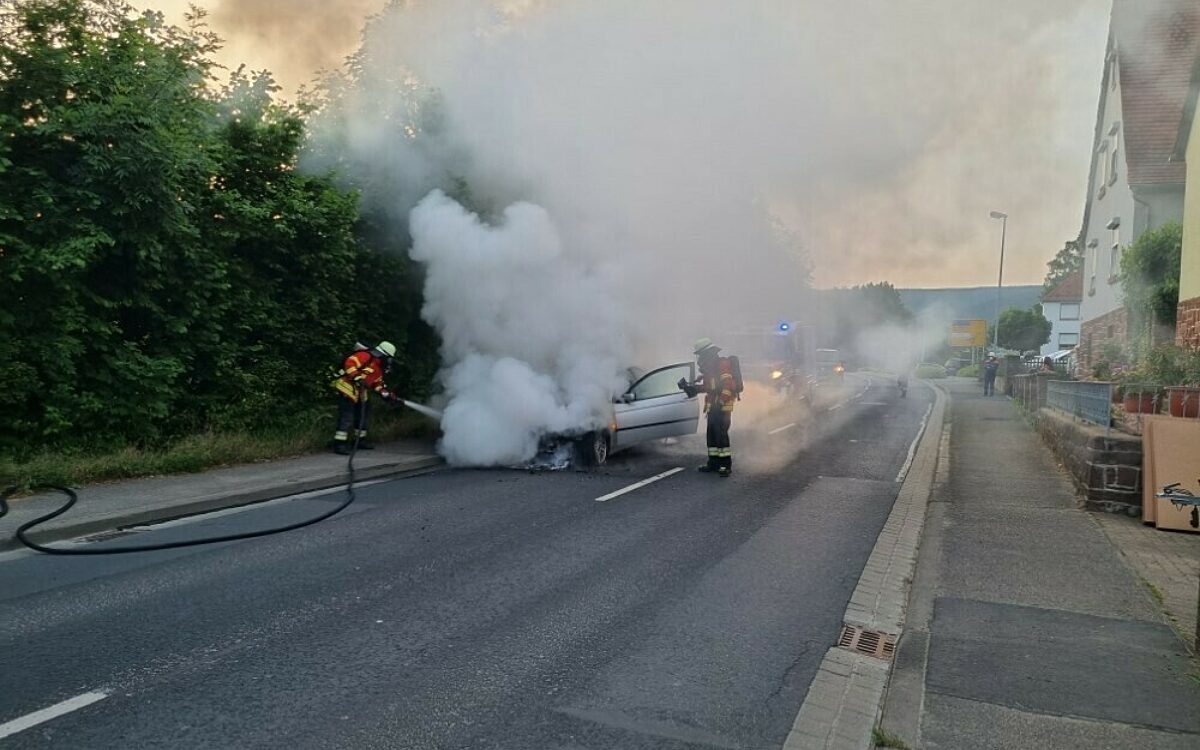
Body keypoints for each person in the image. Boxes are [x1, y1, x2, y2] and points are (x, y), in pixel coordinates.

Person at [331, 341, 402, 454]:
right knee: (347, 416)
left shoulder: (378, 368)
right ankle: (339, 445)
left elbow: (377, 384)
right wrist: (358, 378)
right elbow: (350, 363)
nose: (389, 361)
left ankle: (359, 441)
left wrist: (388, 396)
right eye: (388, 358)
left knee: (364, 415)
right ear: (383, 354)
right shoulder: (365, 356)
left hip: (360, 391)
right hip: (347, 387)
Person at [679, 338, 737, 477]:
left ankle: (725, 465)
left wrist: (721, 403)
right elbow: (709, 387)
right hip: (712, 408)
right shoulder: (710, 369)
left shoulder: (722, 364)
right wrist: (692, 388)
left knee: (721, 436)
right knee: (711, 436)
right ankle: (713, 463)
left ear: (708, 353)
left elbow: (728, 386)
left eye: (701, 354)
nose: (699, 357)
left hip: (722, 408)